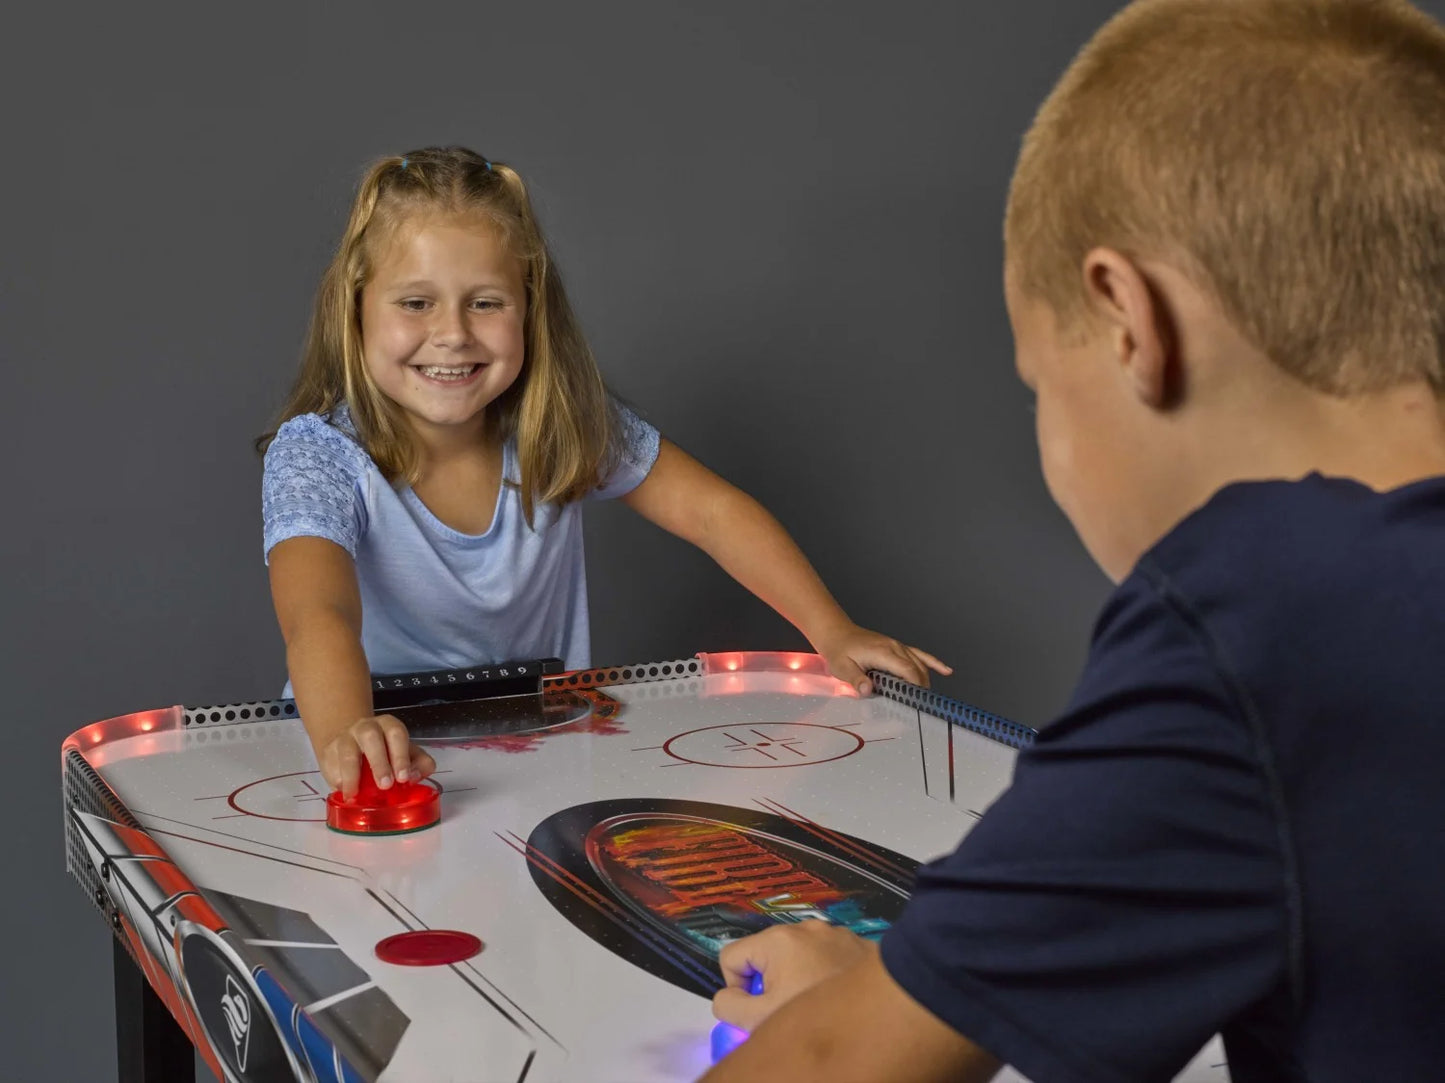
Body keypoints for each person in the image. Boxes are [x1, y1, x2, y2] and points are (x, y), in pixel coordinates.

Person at [703, 1, 1445, 1080]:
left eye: (1038, 386)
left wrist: (858, 1008)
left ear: (1128, 321)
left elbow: (822, 1066)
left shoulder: (1262, 617)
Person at [259, 146, 947, 799]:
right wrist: (348, 729)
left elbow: (712, 513)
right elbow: (319, 615)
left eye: (486, 302)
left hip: (534, 755)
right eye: (415, 302)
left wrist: (831, 628)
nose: (453, 333)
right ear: (355, 307)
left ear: (530, 307)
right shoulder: (319, 453)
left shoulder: (559, 424)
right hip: (360, 759)